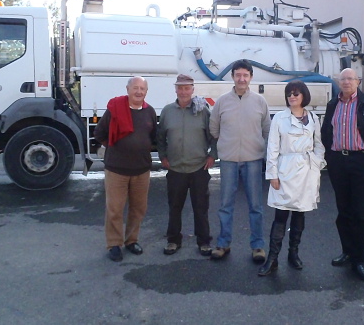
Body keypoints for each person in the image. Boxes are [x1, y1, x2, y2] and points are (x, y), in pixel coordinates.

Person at [320, 68, 364, 281]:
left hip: (361, 162)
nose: (347, 82)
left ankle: (359, 260)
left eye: (351, 78)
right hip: (339, 162)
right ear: (339, 83)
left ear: (358, 81)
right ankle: (347, 252)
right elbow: (325, 133)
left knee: (361, 213)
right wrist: (330, 157)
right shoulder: (333, 104)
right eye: (343, 79)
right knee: (344, 212)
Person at [258, 80, 326, 276]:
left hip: (307, 172)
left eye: (296, 93)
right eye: (289, 93)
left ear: (304, 95)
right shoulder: (279, 118)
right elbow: (272, 148)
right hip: (285, 171)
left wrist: (317, 163)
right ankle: (272, 259)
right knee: (280, 216)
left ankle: (293, 253)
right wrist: (272, 174)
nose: (292, 96)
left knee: (300, 213)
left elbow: (318, 144)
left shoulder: (313, 118)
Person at [209, 59, 271, 263]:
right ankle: (223, 243)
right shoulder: (222, 102)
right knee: (226, 204)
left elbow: (267, 130)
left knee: (256, 206)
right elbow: (214, 128)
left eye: (245, 75)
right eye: (238, 75)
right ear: (232, 77)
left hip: (253, 160)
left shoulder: (260, 102)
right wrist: (226, 145)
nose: (241, 78)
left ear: (251, 77)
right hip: (228, 160)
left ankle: (258, 246)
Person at [94, 76, 157, 262]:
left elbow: (153, 137)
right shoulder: (115, 109)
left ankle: (131, 240)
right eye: (135, 88)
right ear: (128, 89)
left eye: (142, 89)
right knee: (115, 208)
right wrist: (115, 147)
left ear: (146, 92)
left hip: (141, 169)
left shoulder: (150, 112)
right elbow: (100, 133)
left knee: (138, 208)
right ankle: (114, 244)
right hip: (116, 169)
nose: (139, 92)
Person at [156, 74, 217, 257]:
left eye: (187, 88)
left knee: (201, 208)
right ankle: (173, 240)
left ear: (193, 89)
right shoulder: (167, 111)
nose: (183, 91)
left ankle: (204, 242)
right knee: (174, 207)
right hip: (175, 168)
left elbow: (213, 135)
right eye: (180, 87)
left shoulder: (202, 111)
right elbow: (160, 138)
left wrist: (212, 155)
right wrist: (163, 156)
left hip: (198, 167)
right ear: (175, 89)